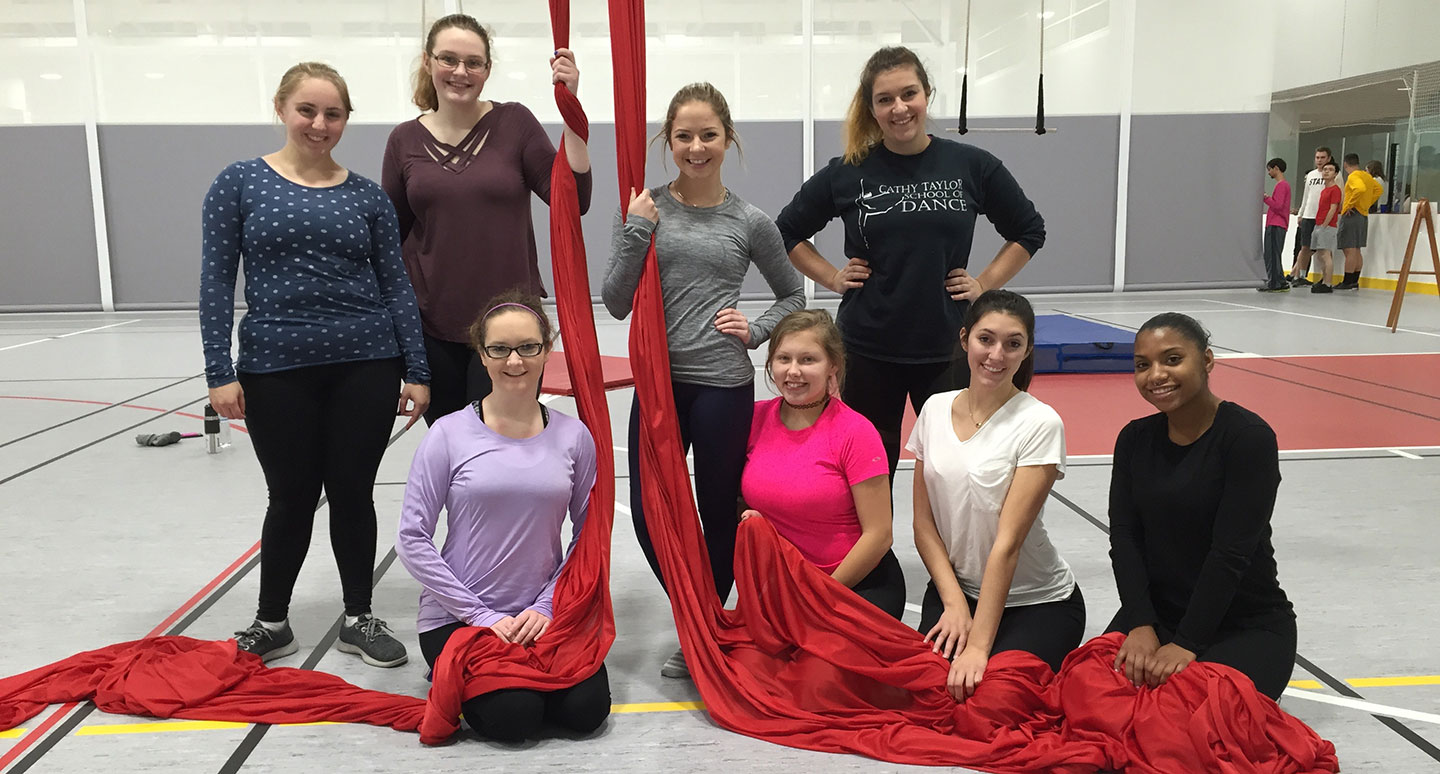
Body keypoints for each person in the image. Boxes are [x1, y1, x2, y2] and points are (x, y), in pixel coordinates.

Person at [200, 62, 430, 666]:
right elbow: (216, 283)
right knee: (292, 494)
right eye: (308, 110)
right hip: (276, 367)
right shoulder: (240, 183)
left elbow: (396, 285)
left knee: (353, 491)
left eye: (333, 113)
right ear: (281, 108)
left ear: (345, 120)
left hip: (366, 364)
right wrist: (218, 371)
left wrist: (417, 369)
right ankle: (272, 620)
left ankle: (359, 616)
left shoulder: (367, 197)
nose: (319, 124)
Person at [603, 83, 805, 679]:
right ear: (669, 140)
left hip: (721, 385)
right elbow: (615, 302)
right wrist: (637, 231)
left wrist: (758, 330)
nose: (696, 147)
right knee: (648, 511)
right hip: (659, 387)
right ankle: (692, 608)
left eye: (708, 135)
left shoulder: (749, 220)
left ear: (728, 139)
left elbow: (793, 293)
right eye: (684, 136)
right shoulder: (645, 208)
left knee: (716, 511)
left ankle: (708, 625)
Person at [775, 46, 1045, 482]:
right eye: (885, 99)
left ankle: (950, 551)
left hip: (945, 345)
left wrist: (984, 284)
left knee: (951, 466)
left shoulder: (972, 166)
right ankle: (875, 551)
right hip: (867, 347)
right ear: (872, 108)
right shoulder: (848, 172)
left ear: (927, 94)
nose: (899, 108)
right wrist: (830, 276)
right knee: (868, 466)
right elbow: (785, 232)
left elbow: (1029, 230)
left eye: (909, 94)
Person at [396, 291, 610, 741]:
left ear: (546, 349)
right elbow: (412, 539)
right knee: (515, 719)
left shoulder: (574, 437)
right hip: (459, 618)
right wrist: (480, 615)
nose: (515, 361)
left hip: (543, 615)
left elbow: (589, 534)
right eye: (500, 349)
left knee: (587, 711)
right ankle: (474, 676)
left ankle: (515, 681)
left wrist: (549, 604)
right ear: (482, 353)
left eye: (528, 347)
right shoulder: (448, 435)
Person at [383, 14, 593, 425]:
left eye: (473, 62)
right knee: (454, 447)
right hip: (432, 326)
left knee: (503, 442)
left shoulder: (514, 123)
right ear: (428, 62)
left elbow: (574, 200)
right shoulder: (404, 140)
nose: (460, 72)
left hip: (511, 328)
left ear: (487, 70)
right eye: (448, 59)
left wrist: (573, 111)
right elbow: (391, 237)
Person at [1108, 313, 1297, 700]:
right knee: (1086, 695)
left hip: (1243, 622)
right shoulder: (1134, 439)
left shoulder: (1247, 439)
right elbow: (1125, 537)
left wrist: (1186, 642)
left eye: (1172, 359)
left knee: (1185, 718)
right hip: (1158, 616)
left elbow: (1231, 553)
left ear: (1207, 360)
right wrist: (1141, 624)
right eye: (1143, 365)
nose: (1156, 374)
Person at [907, 290, 1081, 701]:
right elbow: (923, 523)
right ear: (965, 338)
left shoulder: (1040, 423)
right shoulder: (933, 408)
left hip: (1036, 602)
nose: (997, 355)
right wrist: (953, 603)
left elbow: (1008, 544)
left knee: (993, 701)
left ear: (1027, 350)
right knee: (927, 693)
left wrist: (979, 648)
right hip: (958, 591)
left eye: (1013, 343)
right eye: (986, 339)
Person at [739, 310, 904, 620]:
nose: (793, 371)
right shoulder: (753, 419)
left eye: (808, 360)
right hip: (787, 588)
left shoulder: (855, 432)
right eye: (783, 358)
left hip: (853, 586)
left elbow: (879, 534)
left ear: (833, 365)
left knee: (817, 668)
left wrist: (821, 596)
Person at [1335, 153, 1383, 290]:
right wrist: (1366, 202)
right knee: (1356, 249)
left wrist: (1350, 204)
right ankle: (1354, 280)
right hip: (1363, 214)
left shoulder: (1353, 176)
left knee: (1349, 249)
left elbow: (1359, 188)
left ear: (1345, 164)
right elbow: (1378, 189)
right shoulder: (1366, 175)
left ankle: (1347, 280)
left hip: (1352, 215)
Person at [1286, 146, 1332, 287]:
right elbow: (1306, 196)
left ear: (1329, 158)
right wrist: (1301, 213)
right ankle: (1300, 276)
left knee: (1323, 250)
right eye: (1317, 157)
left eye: (1322, 157)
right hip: (1308, 216)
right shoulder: (1311, 175)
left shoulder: (1333, 175)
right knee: (1305, 247)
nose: (1319, 160)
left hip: (1323, 218)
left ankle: (1326, 279)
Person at [1308, 160, 1342, 294]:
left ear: (1335, 174)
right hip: (1319, 224)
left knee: (1326, 254)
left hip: (1327, 226)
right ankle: (1324, 280)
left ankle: (1328, 283)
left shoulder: (1335, 190)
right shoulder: (1324, 190)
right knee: (1320, 255)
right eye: (1325, 169)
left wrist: (1324, 225)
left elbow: (1333, 209)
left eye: (1330, 170)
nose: (1326, 171)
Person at [1259, 158, 1291, 292]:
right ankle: (1280, 281)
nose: (1269, 173)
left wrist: (1265, 198)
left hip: (1276, 224)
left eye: (1270, 170)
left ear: (1276, 168)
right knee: (1275, 254)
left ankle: (1274, 283)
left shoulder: (1281, 185)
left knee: (1271, 254)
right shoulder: (1283, 185)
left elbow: (1278, 205)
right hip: (1278, 224)